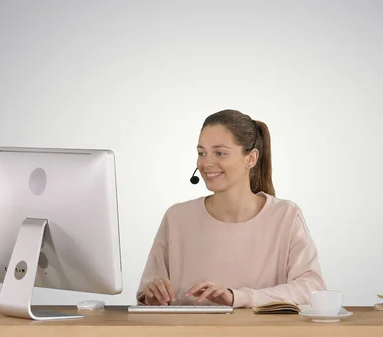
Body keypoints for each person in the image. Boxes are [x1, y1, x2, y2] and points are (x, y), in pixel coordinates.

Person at [136, 109, 326, 308]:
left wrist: (237, 297)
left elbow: (312, 288)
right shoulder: (176, 217)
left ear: (251, 158)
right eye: (202, 153)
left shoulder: (285, 216)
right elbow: (146, 295)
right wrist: (152, 296)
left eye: (220, 153)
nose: (206, 163)